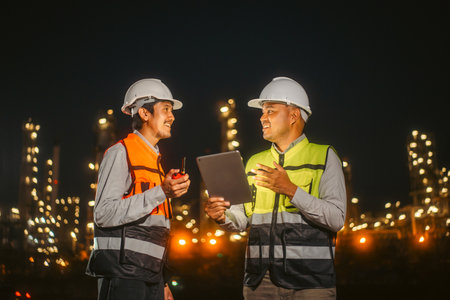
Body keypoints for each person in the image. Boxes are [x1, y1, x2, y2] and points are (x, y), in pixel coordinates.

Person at [205, 77, 346, 299]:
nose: (262, 118)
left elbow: (337, 218)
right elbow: (242, 220)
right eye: (262, 112)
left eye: (270, 111)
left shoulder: (324, 157)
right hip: (260, 283)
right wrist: (222, 217)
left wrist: (291, 190)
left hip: (310, 283)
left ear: (293, 116)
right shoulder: (254, 162)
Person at [86, 78, 191, 300]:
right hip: (122, 277)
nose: (172, 117)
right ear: (144, 113)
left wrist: (161, 282)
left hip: (149, 278)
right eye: (165, 109)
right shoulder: (120, 153)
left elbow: (154, 233)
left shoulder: (155, 162)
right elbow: (104, 214)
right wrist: (162, 192)